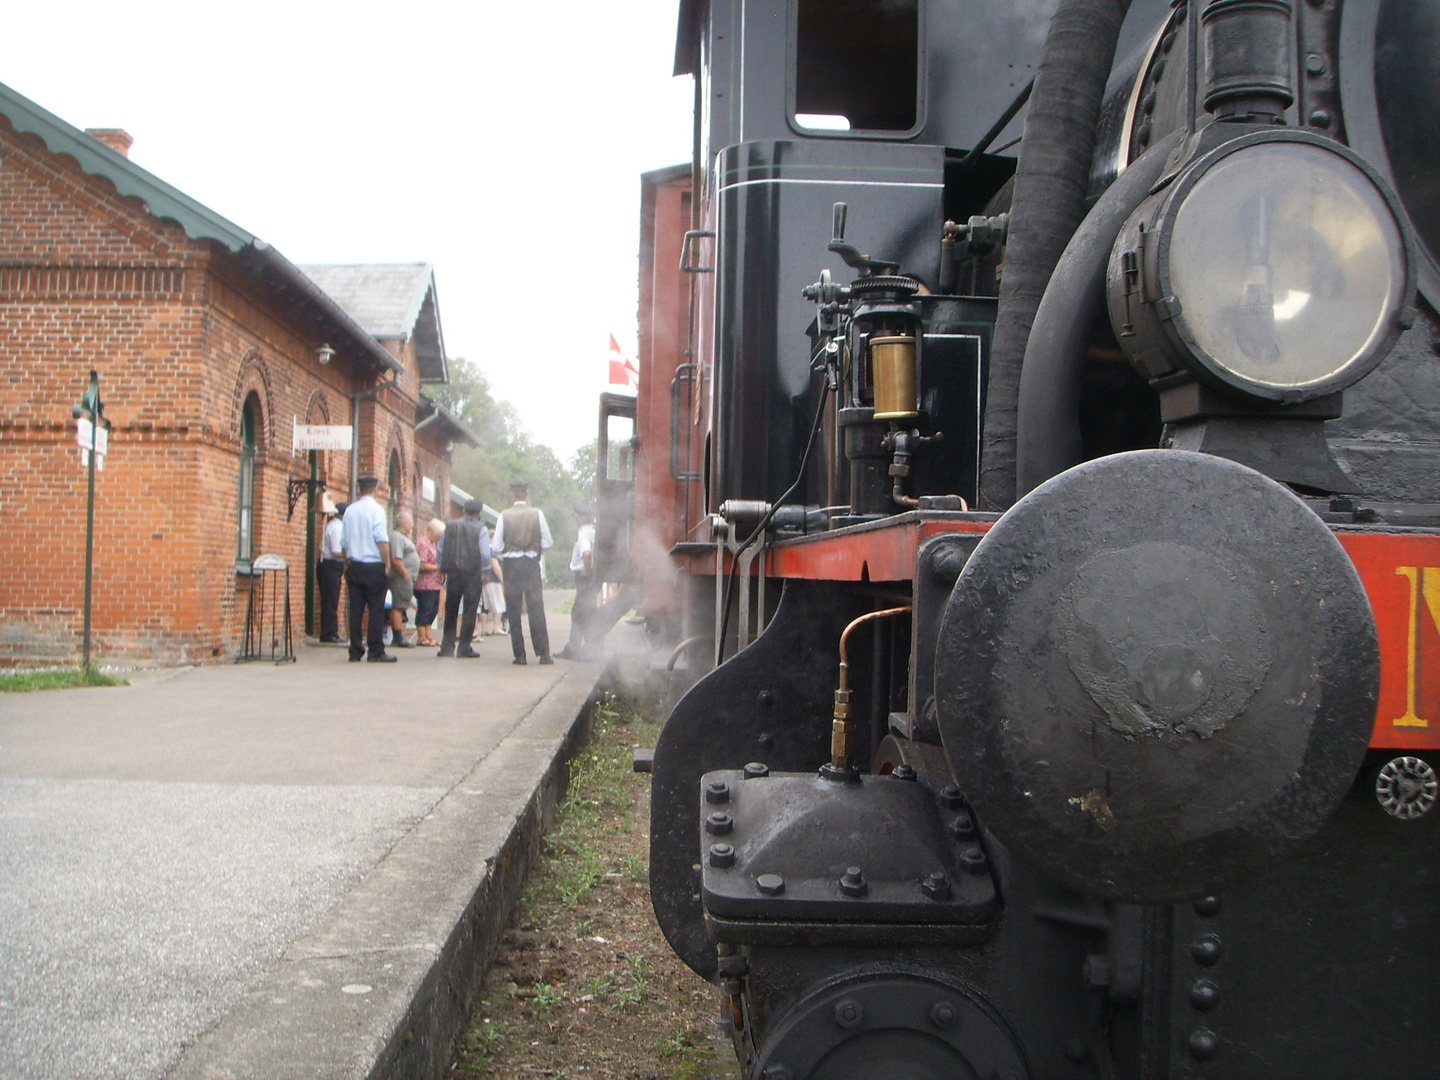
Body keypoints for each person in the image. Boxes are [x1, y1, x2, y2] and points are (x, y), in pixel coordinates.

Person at [494, 479, 553, 665]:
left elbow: (496, 546)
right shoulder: (537, 514)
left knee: (514, 609)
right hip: (531, 564)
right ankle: (544, 654)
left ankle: (519, 655)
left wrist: (509, 550)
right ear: (527, 494)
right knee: (536, 607)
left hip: (511, 565)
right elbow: (548, 542)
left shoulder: (504, 515)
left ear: (512, 494)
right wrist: (534, 548)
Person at [342, 476, 394, 662]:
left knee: (355, 610)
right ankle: (375, 650)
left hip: (354, 564)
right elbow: (381, 538)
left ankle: (355, 650)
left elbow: (344, 542)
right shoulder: (377, 510)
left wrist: (346, 565)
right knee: (376, 609)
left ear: (359, 489)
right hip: (373, 566)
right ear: (375, 489)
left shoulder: (349, 511)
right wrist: (386, 563)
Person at [438, 498, 497, 658]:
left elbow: (441, 548)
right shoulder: (481, 529)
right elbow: (485, 553)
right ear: (479, 513)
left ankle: (446, 647)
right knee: (470, 610)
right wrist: (485, 571)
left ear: (463, 510)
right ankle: (464, 646)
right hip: (472, 573)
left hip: (453, 572)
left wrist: (441, 569)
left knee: (451, 609)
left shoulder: (450, 525)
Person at [556, 502, 598, 660]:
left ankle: (578, 650)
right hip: (591, 580)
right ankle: (589, 649)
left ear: (577, 518)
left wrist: (588, 570)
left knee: (579, 613)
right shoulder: (594, 531)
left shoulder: (583, 533)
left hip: (584, 579)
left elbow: (586, 554)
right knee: (587, 613)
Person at [387, 510, 420, 648]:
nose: (412, 524)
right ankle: (398, 637)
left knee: (402, 606)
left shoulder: (403, 537)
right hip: (401, 578)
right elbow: (396, 558)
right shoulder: (396, 537)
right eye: (411, 522)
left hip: (405, 578)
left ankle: (399, 636)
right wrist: (405, 574)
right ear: (405, 523)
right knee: (398, 606)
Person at [317, 497, 346, 643]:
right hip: (331, 565)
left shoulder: (335, 525)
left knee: (331, 599)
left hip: (331, 566)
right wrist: (349, 555)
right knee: (330, 600)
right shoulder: (337, 527)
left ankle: (330, 632)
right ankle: (329, 633)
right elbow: (336, 551)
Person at [413, 518, 444, 647]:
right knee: (425, 609)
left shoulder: (433, 543)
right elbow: (423, 565)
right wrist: (439, 568)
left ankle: (428, 636)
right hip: (425, 584)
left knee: (433, 610)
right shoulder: (423, 543)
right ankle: (422, 637)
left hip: (434, 583)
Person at [481, 525, 506, 637]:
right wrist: (503, 580)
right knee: (499, 604)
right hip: (494, 581)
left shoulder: (484, 549)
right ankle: (496, 627)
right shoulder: (493, 550)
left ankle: (485, 628)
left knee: (485, 606)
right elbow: (495, 566)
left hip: (485, 580)